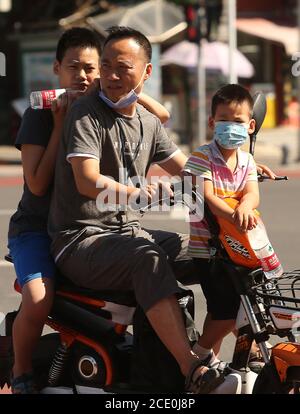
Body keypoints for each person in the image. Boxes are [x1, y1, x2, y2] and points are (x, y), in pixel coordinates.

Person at [48, 26, 230, 394]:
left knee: (214, 250)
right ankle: (190, 368)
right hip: (81, 239)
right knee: (146, 260)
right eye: (106, 65)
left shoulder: (147, 123)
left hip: (128, 235)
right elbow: (86, 181)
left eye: (123, 67)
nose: (112, 76)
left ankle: (221, 350)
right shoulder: (86, 114)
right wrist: (138, 193)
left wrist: (236, 180)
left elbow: (191, 171)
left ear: (147, 72)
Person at [7, 26, 169, 395]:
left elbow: (162, 114)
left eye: (92, 68)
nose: (82, 76)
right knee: (37, 297)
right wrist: (60, 124)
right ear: (56, 70)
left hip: (86, 225)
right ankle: (20, 371)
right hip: (36, 229)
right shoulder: (41, 113)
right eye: (73, 67)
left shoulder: (100, 106)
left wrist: (129, 90)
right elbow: (35, 184)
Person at [184, 84, 260, 366]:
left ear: (250, 125)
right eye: (224, 120)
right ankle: (197, 356)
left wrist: (245, 205)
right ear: (212, 122)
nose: (231, 127)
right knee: (228, 313)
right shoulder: (200, 157)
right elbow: (207, 197)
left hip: (238, 247)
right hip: (209, 250)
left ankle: (217, 360)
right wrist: (233, 215)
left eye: (238, 121)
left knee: (222, 310)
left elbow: (252, 193)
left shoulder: (248, 160)